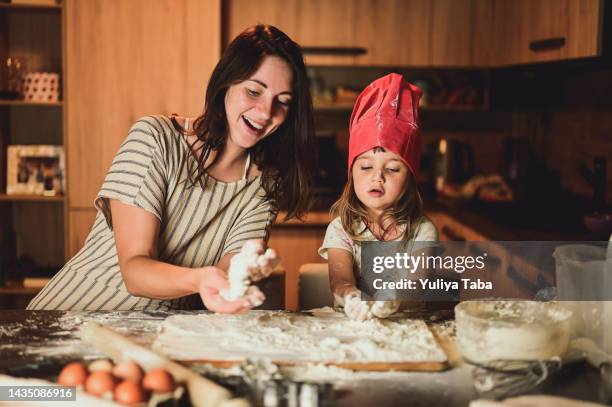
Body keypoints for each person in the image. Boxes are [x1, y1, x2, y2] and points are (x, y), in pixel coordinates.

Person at [28, 25, 315, 312]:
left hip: (153, 338)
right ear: (226, 82)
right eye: (254, 91)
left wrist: (237, 284)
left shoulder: (263, 186)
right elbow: (135, 271)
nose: (266, 112)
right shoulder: (155, 138)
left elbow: (231, 274)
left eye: (282, 102)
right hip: (67, 318)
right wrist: (202, 279)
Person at [318, 73, 438, 321]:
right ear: (351, 173)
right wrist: (351, 296)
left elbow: (416, 280)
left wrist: (394, 295)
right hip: (353, 328)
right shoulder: (341, 229)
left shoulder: (422, 231)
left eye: (393, 169)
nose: (377, 177)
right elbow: (339, 280)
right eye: (365, 167)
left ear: (410, 177)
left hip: (409, 331)